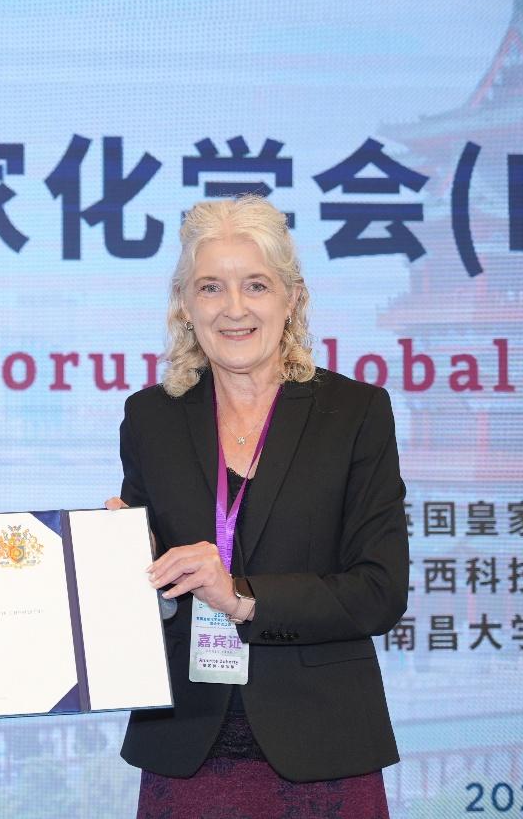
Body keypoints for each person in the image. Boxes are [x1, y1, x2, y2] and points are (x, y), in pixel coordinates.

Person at [106, 195, 409, 818]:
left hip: (325, 750)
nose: (234, 308)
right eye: (210, 287)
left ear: (291, 298)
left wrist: (243, 598)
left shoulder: (354, 413)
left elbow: (379, 592)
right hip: (186, 748)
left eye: (256, 285)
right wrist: (130, 570)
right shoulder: (150, 418)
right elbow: (147, 600)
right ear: (184, 305)